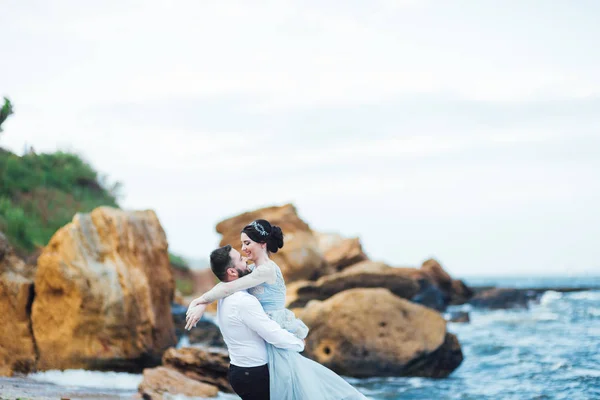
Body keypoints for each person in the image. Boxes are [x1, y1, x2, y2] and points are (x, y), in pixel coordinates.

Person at [186, 219, 367, 400]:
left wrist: (200, 301)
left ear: (262, 244)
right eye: (242, 244)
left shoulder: (265, 270)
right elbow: (226, 284)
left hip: (276, 329)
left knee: (300, 389)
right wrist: (201, 304)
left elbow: (227, 287)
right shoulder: (250, 270)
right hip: (266, 337)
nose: (243, 249)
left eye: (247, 243)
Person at [188, 245, 304, 400]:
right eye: (241, 260)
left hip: (240, 371)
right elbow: (272, 333)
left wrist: (202, 303)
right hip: (254, 374)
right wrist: (299, 343)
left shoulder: (225, 296)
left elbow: (224, 287)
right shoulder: (243, 301)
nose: (246, 260)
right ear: (232, 272)